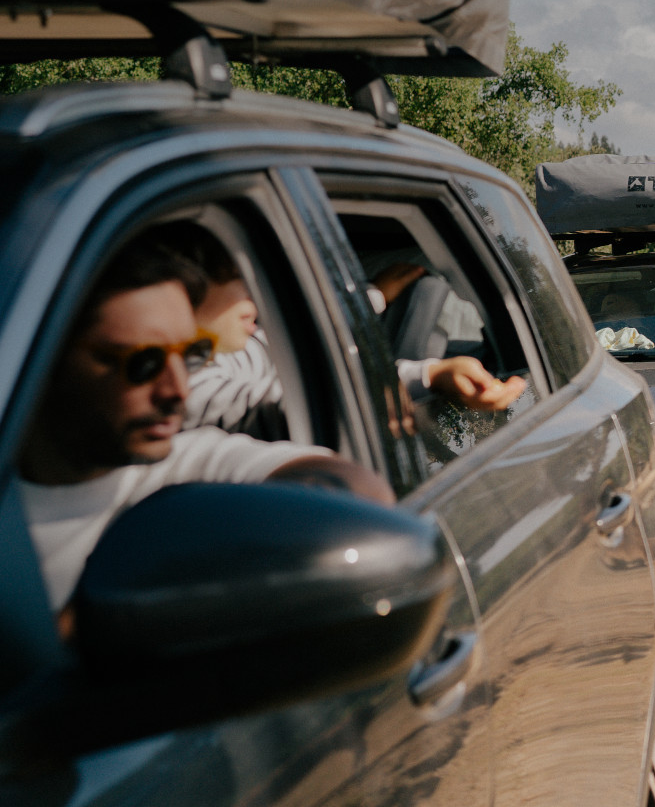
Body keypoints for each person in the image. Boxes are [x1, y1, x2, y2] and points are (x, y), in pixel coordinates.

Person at [17, 230, 393, 614]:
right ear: (43, 360)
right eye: (143, 362)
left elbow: (358, 492)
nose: (178, 389)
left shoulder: (186, 469)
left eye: (193, 356)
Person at [154, 222, 524, 436]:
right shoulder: (174, 389)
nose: (259, 295)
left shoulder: (219, 354)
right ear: (184, 288)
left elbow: (296, 347)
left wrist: (433, 371)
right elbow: (290, 402)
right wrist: (426, 375)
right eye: (241, 277)